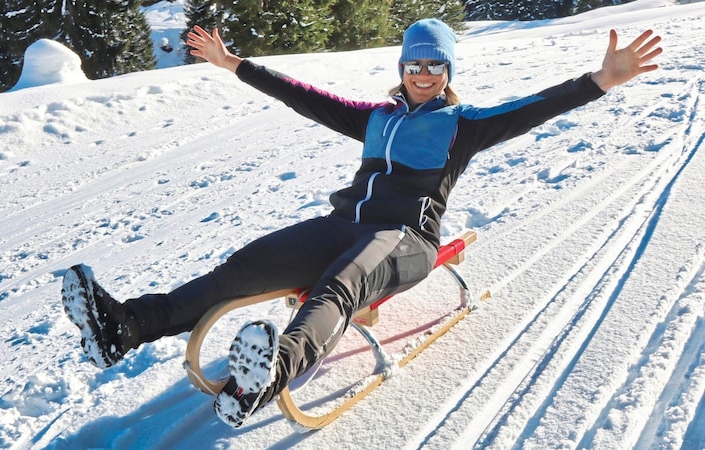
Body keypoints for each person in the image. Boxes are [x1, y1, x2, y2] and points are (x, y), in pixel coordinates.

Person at [61, 19, 662, 428]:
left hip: (406, 241)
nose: (423, 73)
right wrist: (233, 64)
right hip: (342, 224)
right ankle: (126, 326)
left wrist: (601, 81)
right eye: (414, 64)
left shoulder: (464, 124)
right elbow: (307, 95)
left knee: (341, 286)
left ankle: (267, 380)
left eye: (435, 65)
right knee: (242, 265)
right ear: (402, 67)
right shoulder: (376, 117)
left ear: (448, 71)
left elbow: (533, 107)